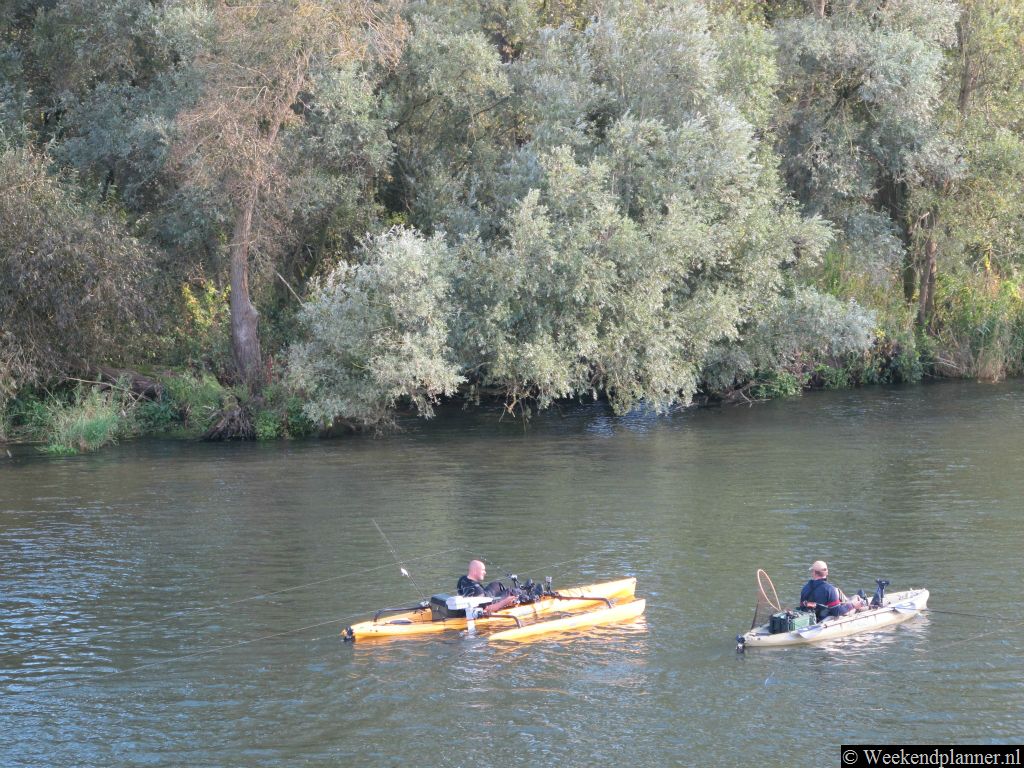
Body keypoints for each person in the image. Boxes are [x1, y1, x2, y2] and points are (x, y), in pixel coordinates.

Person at [800, 560, 868, 621]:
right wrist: (853, 605)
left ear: (814, 573)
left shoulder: (805, 588)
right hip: (825, 619)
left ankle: (858, 598)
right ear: (827, 573)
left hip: (811, 618)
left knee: (851, 598)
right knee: (855, 601)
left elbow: (802, 607)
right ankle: (863, 602)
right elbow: (837, 612)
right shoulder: (830, 589)